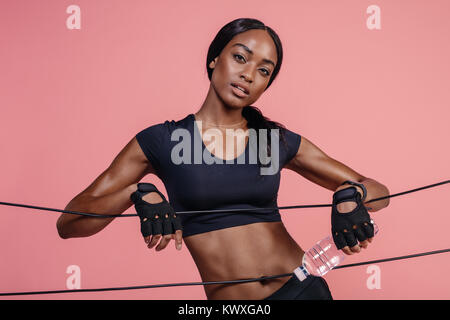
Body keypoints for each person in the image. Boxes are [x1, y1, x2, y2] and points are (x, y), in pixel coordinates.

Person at [56, 18, 390, 300]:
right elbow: (68, 224)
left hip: (302, 290)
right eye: (240, 58)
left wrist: (351, 195)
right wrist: (134, 193)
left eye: (263, 71)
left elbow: (378, 190)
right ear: (215, 58)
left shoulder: (272, 141)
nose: (248, 75)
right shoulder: (163, 141)